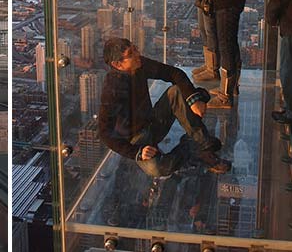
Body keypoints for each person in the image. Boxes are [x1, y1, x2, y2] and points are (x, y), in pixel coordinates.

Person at [97, 37, 231, 178]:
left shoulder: (140, 65)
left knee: (175, 92)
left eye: (135, 48)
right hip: (136, 140)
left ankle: (203, 147)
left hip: (152, 122)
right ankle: (192, 145)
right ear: (117, 64)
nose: (137, 54)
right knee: (159, 169)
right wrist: (136, 152)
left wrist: (193, 99)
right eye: (130, 54)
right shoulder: (112, 89)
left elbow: (173, 73)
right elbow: (105, 132)